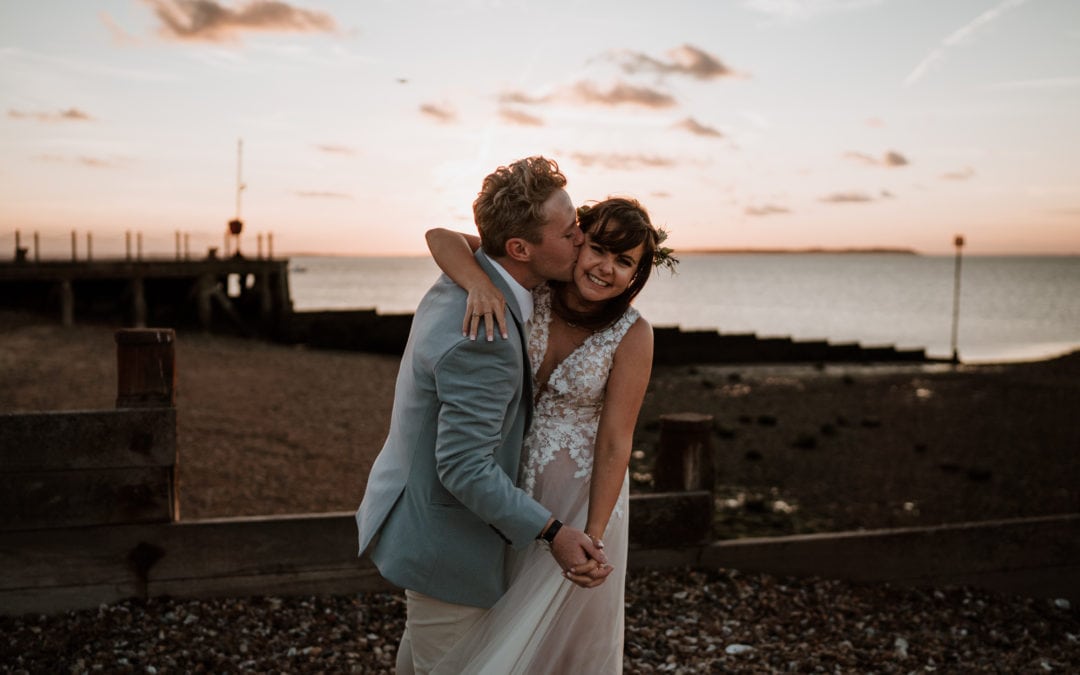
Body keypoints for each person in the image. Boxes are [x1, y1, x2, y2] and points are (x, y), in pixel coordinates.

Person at [354, 156, 611, 675]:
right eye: (569, 232)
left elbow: (443, 236)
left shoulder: (469, 282)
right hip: (450, 551)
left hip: (417, 519)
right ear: (520, 248)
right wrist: (555, 533)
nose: (582, 240)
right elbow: (464, 468)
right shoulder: (486, 335)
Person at [423, 196, 674, 673]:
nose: (605, 268)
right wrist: (477, 284)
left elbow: (616, 440)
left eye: (624, 262)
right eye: (599, 248)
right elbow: (441, 238)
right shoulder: (534, 287)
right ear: (576, 241)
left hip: (583, 496)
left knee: (566, 636)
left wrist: (593, 538)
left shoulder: (633, 334)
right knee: (496, 615)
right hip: (508, 480)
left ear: (636, 276)